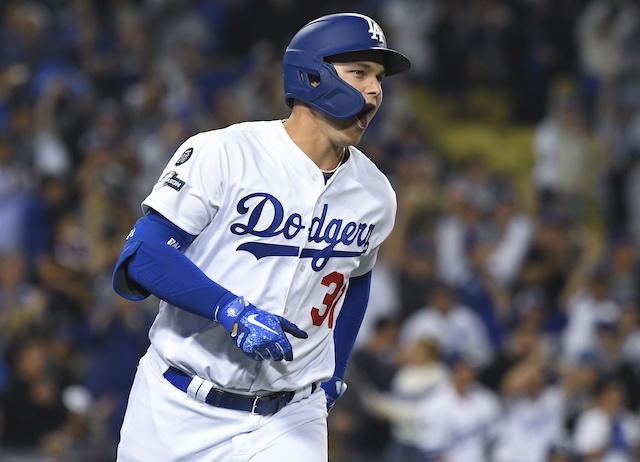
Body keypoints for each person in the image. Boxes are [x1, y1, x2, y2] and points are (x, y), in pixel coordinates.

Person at [111, 12, 410, 462]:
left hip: (289, 418)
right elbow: (144, 254)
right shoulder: (225, 153)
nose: (374, 91)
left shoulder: (376, 194)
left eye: (379, 78)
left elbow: (357, 279)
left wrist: (336, 370)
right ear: (312, 76)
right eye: (359, 73)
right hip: (175, 407)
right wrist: (229, 310)